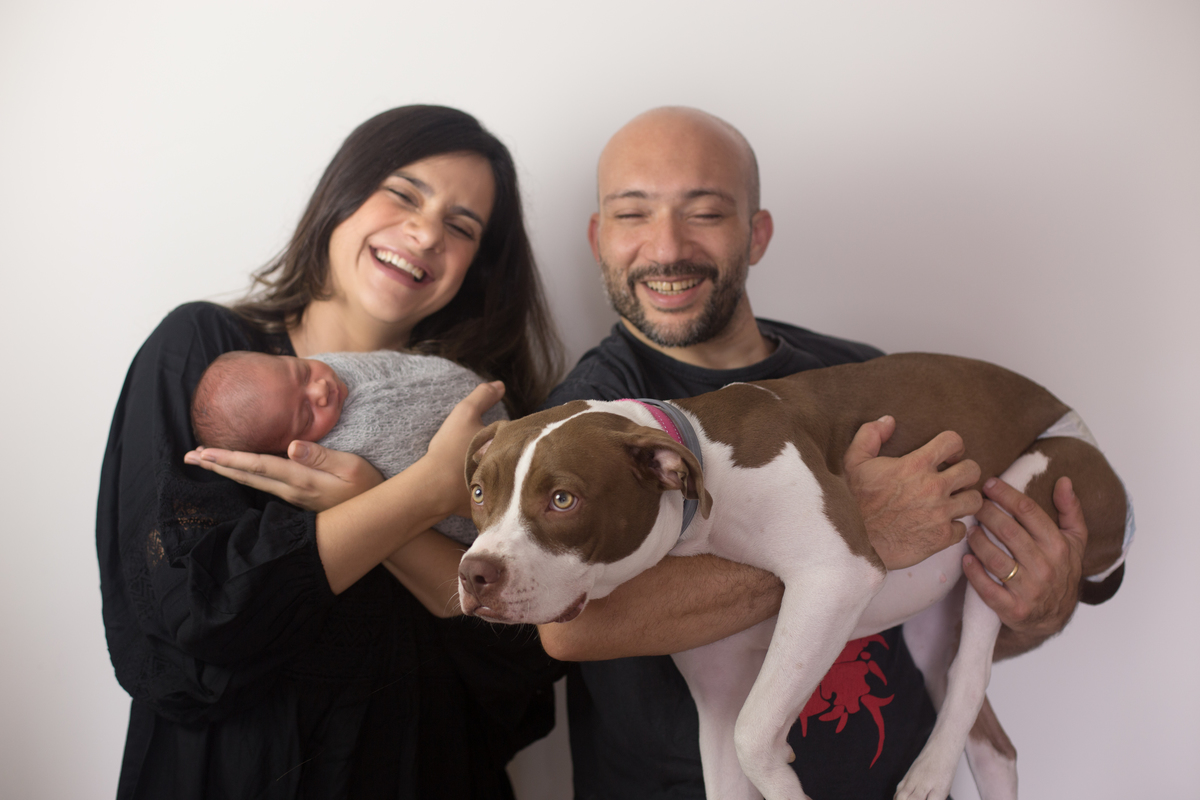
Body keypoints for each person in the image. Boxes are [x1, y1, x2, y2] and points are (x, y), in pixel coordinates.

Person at [536, 107, 1098, 798]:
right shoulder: (584, 423)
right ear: (599, 237)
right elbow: (573, 628)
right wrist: (850, 536)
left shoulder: (861, 376)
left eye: (705, 213)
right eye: (633, 214)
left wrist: (1041, 609)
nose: (667, 246)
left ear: (757, 233)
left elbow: (944, 601)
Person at [97, 105, 565, 799]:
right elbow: (191, 620)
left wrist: (370, 502)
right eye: (404, 194)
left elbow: (527, 658)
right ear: (341, 195)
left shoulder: (481, 413)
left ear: (477, 265)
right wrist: (421, 495)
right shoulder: (206, 356)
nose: (427, 233)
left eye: (462, 226)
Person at [190, 349, 506, 545]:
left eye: (303, 372)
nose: (320, 389)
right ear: (290, 450)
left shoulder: (335, 364)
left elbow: (399, 364)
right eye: (306, 415)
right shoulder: (336, 451)